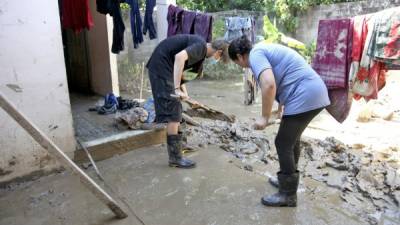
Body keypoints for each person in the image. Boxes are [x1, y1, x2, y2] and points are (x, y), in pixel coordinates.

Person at [228, 36, 330, 207]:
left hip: (305, 94)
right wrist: (280, 107)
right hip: (311, 92)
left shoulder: (255, 55)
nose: (240, 66)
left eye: (237, 63)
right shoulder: (263, 49)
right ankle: (287, 180)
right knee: (291, 140)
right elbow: (285, 75)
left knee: (282, 142)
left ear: (239, 56)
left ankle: (288, 195)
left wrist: (264, 117)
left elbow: (268, 84)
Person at [146, 34, 229, 169]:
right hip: (161, 66)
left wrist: (187, 97)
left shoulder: (199, 54)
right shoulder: (201, 47)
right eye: (220, 58)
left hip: (165, 67)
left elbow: (181, 75)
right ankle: (175, 158)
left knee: (177, 107)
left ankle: (180, 147)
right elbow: (179, 58)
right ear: (219, 52)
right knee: (173, 112)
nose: (217, 60)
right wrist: (177, 88)